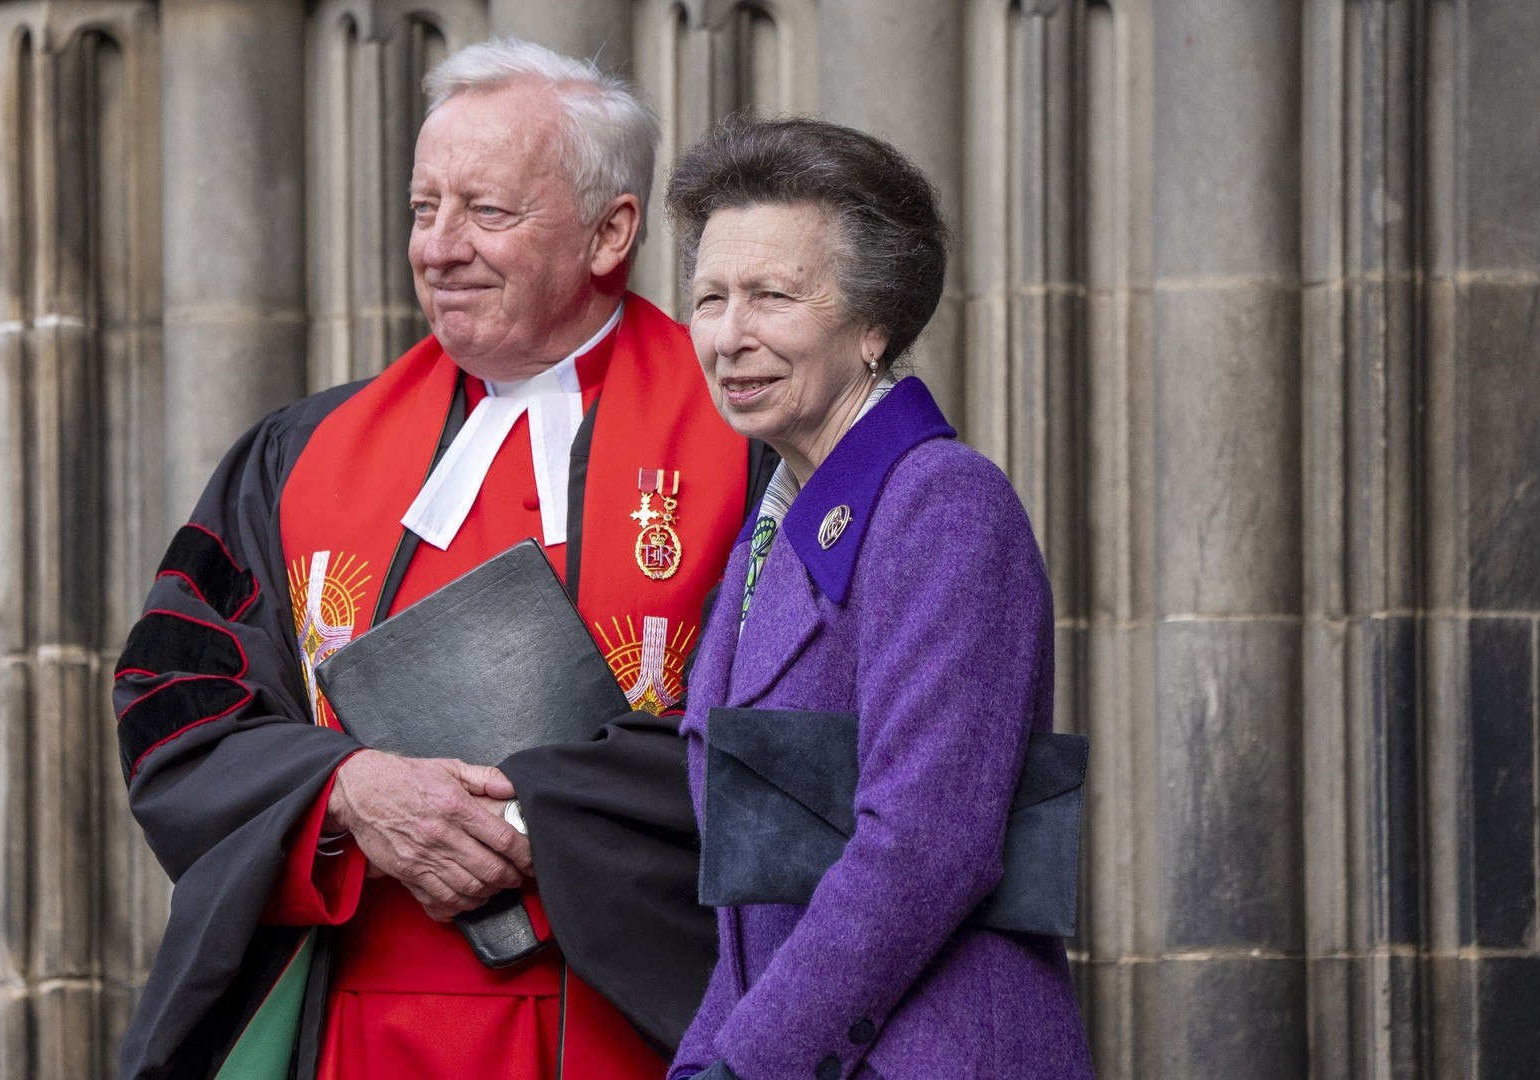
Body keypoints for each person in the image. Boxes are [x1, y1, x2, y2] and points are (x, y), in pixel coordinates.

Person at [115, 41, 776, 1080]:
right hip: (359, 1032)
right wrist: (345, 791)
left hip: (636, 1030)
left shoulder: (753, 447)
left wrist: (542, 816)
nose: (439, 247)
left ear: (612, 233)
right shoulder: (300, 457)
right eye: (425, 209)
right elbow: (177, 700)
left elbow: (823, 743)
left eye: (488, 211)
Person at [664, 117, 1096, 1080]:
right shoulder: (774, 522)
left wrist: (746, 1067)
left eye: (773, 296)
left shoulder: (944, 504)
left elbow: (924, 849)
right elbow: (749, 911)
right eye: (710, 298)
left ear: (874, 325)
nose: (731, 335)